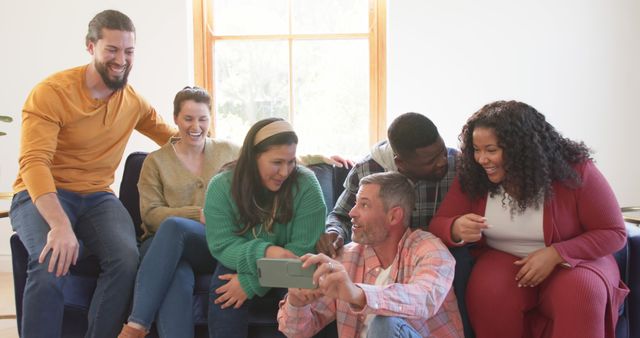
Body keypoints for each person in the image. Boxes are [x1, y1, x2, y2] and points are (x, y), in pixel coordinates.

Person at [9, 10, 175, 338]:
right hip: (42, 193)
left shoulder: (133, 102)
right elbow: (34, 162)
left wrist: (241, 155)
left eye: (128, 52)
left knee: (127, 259)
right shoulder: (51, 92)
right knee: (50, 262)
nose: (121, 60)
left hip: (97, 197)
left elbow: (175, 138)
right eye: (111, 50)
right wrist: (59, 225)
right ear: (90, 47)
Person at [429, 100, 629, 338]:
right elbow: (439, 223)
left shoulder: (575, 170)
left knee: (581, 293)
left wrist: (556, 253)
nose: (481, 159)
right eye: (476, 149)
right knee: (488, 289)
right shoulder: (473, 175)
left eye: (491, 150)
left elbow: (614, 232)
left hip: (575, 261)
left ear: (520, 149)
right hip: (503, 259)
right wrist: (455, 228)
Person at [315, 112, 475, 337]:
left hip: (436, 251)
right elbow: (341, 215)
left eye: (441, 152)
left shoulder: (456, 164)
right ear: (401, 164)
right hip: (383, 249)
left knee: (460, 261)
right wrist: (333, 233)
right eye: (430, 161)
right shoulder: (367, 170)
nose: (442, 162)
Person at [278, 171, 464, 338]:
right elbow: (297, 332)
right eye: (355, 203)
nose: (351, 212)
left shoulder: (430, 250)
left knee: (384, 323)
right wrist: (297, 303)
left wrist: (358, 294)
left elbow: (425, 300)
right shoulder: (346, 258)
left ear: (394, 216)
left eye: (364, 205)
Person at [117, 87, 238, 337]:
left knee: (175, 225)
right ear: (175, 119)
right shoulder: (155, 161)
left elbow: (271, 155)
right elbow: (150, 214)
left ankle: (137, 324)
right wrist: (198, 214)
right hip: (160, 243)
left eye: (203, 119)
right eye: (188, 118)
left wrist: (320, 157)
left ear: (210, 119)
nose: (196, 126)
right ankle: (139, 326)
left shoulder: (229, 151)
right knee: (177, 274)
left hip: (210, 242)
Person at [204, 118, 327, 338]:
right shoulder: (221, 186)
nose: (285, 172)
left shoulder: (307, 185)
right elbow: (222, 245)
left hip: (291, 263)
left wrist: (252, 283)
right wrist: (266, 252)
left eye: (291, 162)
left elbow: (301, 251)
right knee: (223, 290)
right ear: (253, 157)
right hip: (245, 258)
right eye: (277, 162)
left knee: (298, 293)